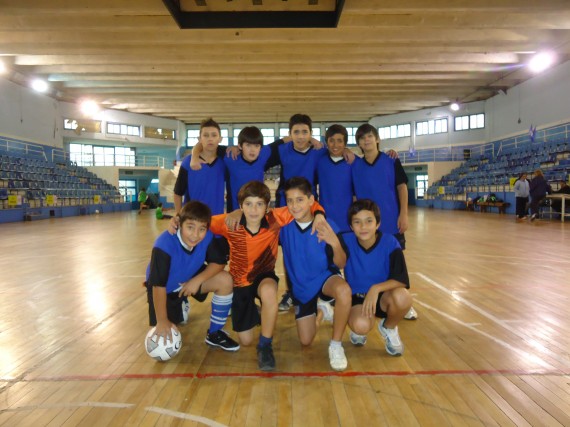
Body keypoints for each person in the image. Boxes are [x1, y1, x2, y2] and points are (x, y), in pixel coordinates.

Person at [208, 180, 326, 371]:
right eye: (248, 204)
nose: (254, 210)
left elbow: (308, 206)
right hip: (240, 282)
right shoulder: (229, 222)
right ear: (240, 206)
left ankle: (265, 344)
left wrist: (319, 214)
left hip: (265, 275)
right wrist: (176, 220)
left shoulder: (274, 219)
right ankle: (257, 312)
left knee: (270, 291)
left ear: (267, 207)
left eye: (259, 204)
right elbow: (200, 220)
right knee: (245, 341)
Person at [279, 177, 353, 371]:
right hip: (301, 288)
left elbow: (342, 262)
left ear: (312, 200)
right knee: (305, 340)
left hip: (324, 278)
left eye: (300, 200)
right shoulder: (282, 227)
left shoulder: (327, 225)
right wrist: (236, 212)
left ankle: (336, 345)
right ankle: (323, 311)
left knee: (344, 291)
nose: (294, 206)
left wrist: (334, 242)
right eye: (290, 201)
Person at [145, 201, 240, 352]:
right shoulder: (163, 245)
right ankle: (181, 303)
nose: (196, 235)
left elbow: (219, 262)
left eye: (201, 229)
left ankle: (214, 333)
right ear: (179, 223)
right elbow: (158, 285)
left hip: (189, 276)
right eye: (190, 227)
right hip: (165, 289)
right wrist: (162, 321)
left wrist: (196, 281)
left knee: (225, 280)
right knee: (165, 330)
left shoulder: (207, 237)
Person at [351, 123, 417, 321]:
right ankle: (374, 299)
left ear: (377, 139)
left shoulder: (391, 160)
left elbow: (402, 188)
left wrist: (403, 214)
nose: (367, 140)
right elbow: (354, 195)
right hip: (367, 225)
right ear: (359, 144)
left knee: (396, 263)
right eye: (362, 138)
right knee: (372, 262)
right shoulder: (355, 166)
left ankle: (402, 303)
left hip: (390, 221)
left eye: (370, 136)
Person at [342, 199, 412, 356]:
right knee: (360, 325)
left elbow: (401, 279)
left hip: (382, 298)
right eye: (357, 222)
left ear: (378, 224)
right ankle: (359, 327)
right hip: (358, 298)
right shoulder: (345, 241)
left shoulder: (390, 242)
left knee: (403, 297)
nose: (363, 227)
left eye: (369, 221)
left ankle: (389, 327)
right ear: (351, 226)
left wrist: (376, 288)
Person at [190, 126, 284, 212]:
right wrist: (194, 157)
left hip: (257, 211)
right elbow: (203, 145)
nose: (252, 150)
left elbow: (284, 140)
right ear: (240, 146)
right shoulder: (230, 156)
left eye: (256, 146)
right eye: (248, 145)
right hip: (235, 211)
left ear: (260, 147)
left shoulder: (264, 153)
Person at [173, 118, 226, 215]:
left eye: (214, 135)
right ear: (199, 139)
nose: (210, 139)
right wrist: (178, 215)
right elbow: (177, 192)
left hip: (217, 219)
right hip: (193, 218)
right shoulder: (188, 162)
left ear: (220, 139)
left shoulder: (224, 162)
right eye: (205, 135)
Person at [316, 124, 353, 232]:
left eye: (339, 141)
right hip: (326, 221)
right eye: (331, 140)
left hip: (348, 221)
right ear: (326, 142)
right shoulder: (320, 162)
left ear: (345, 143)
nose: (335, 145)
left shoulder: (353, 162)